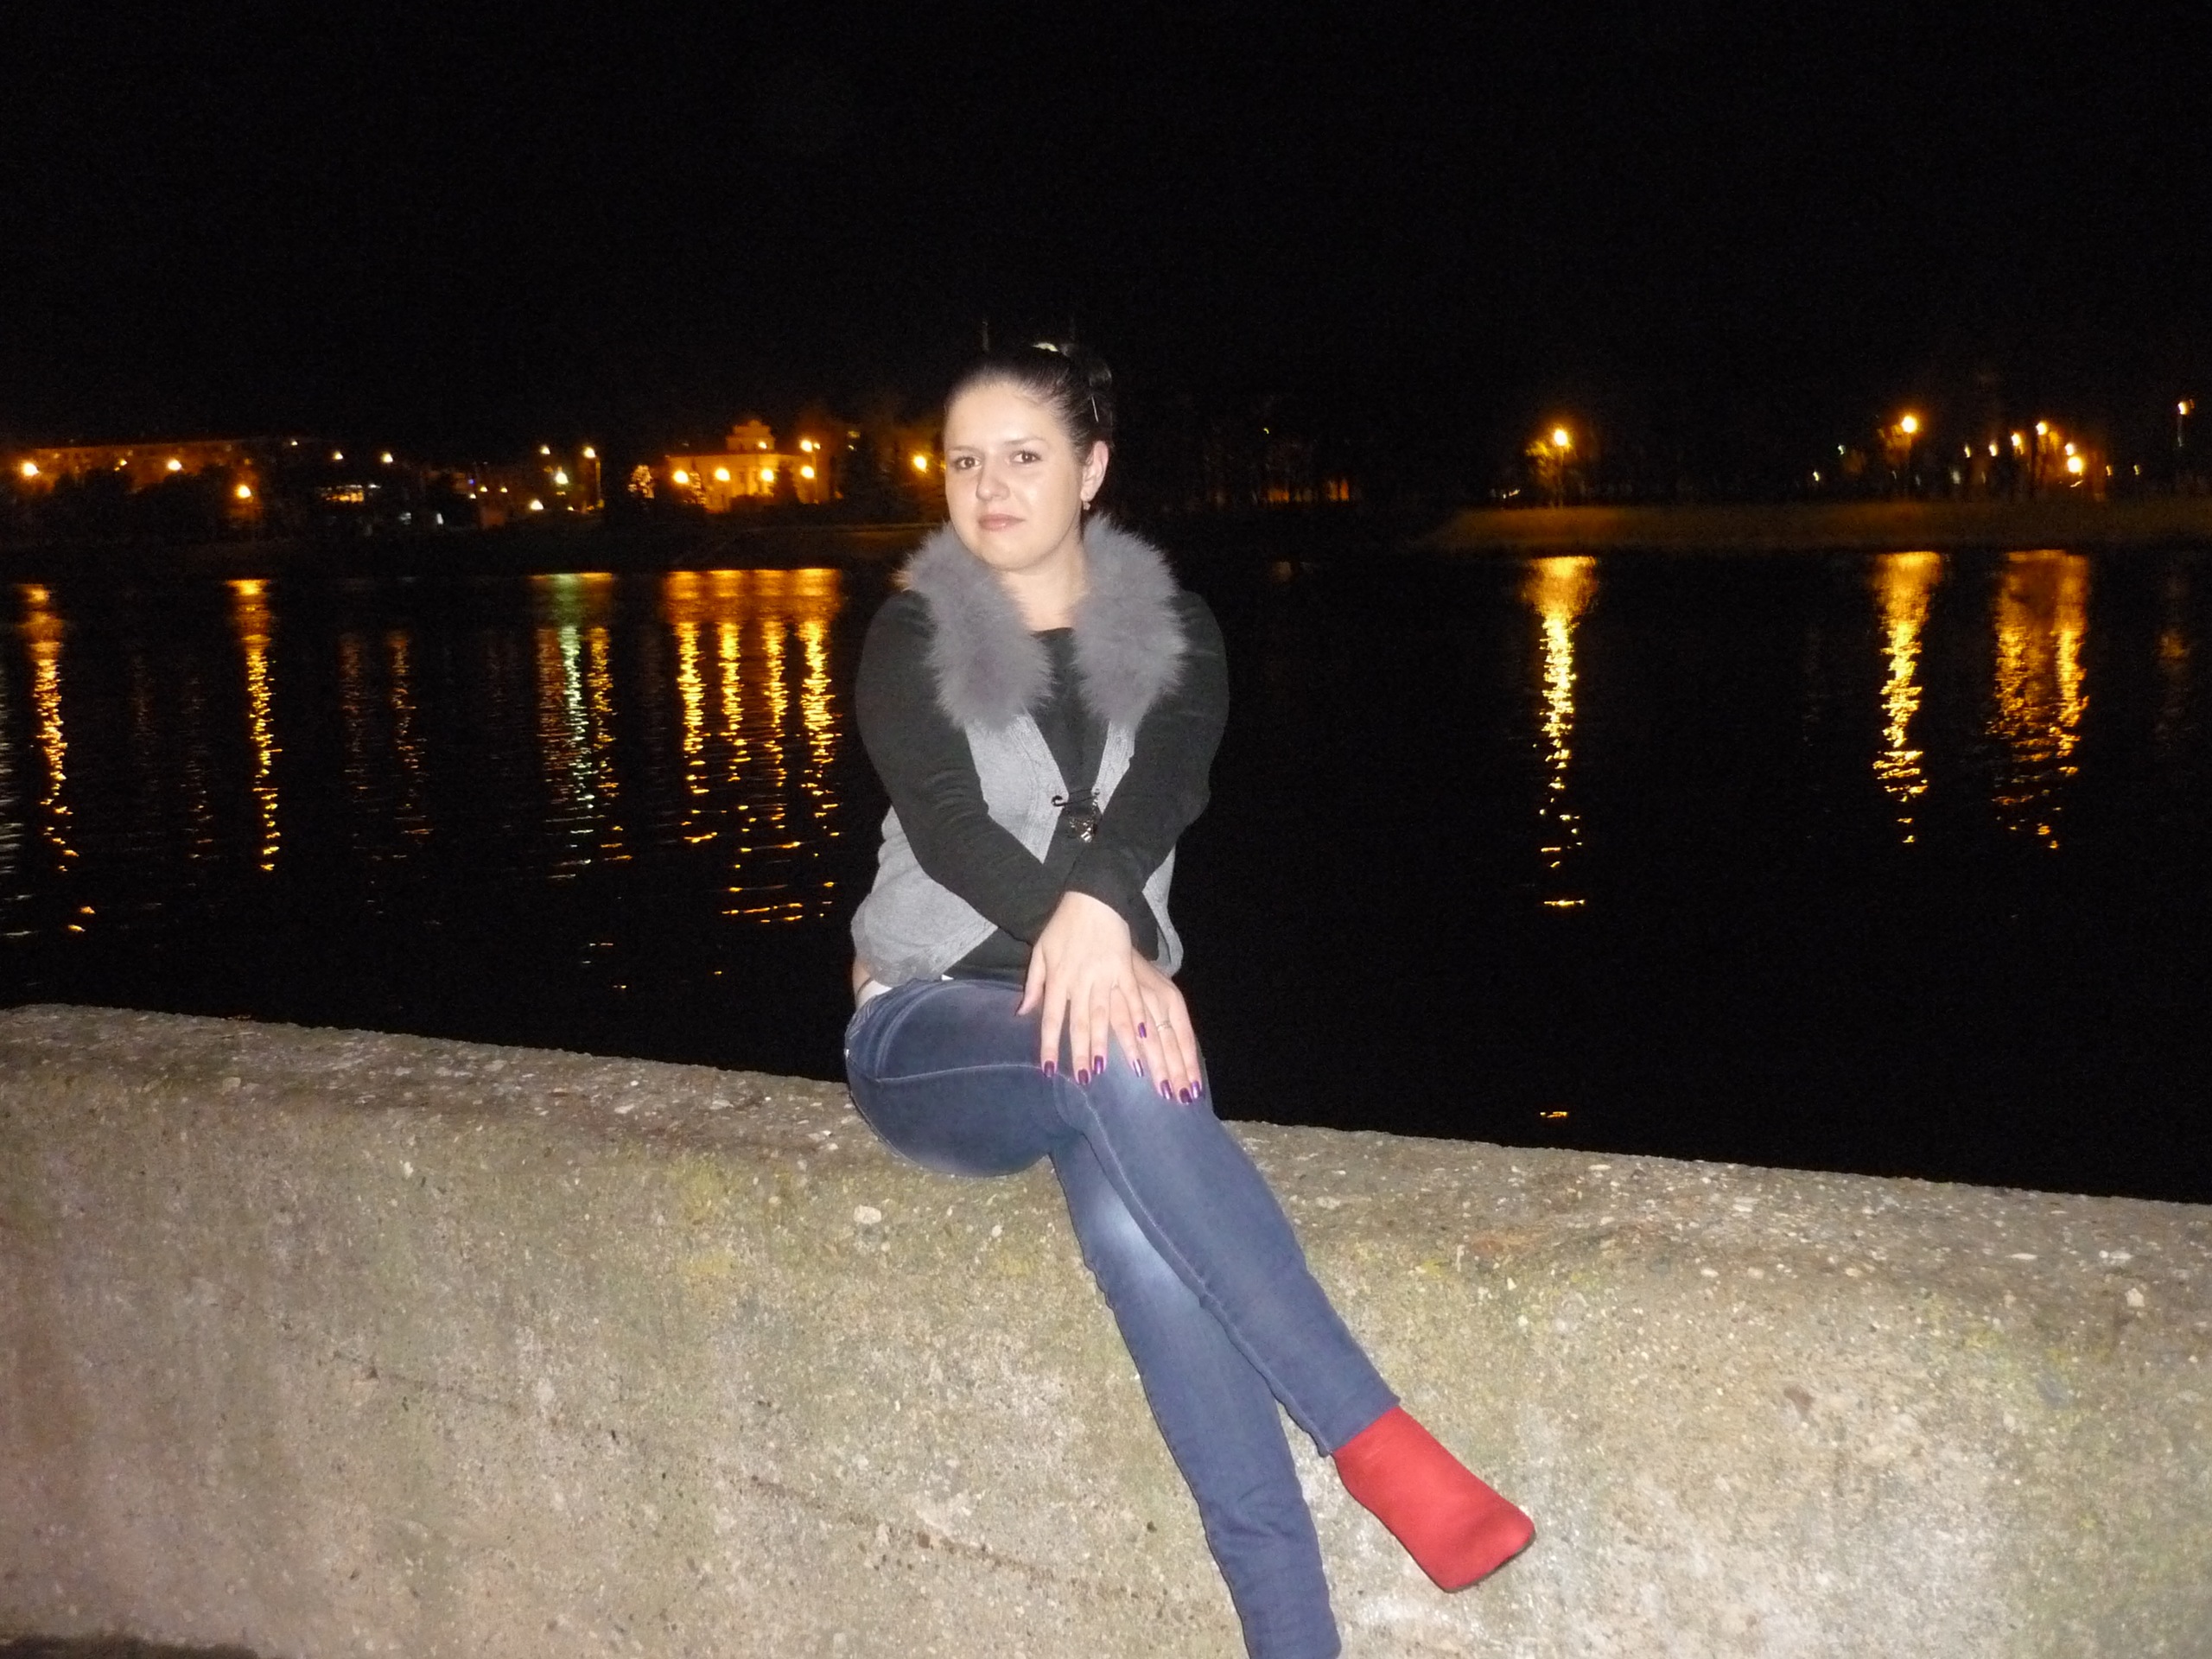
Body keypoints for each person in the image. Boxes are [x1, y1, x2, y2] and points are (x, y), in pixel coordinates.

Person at [842, 342, 1533, 1659]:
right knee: (1115, 1048)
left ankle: (1294, 1637)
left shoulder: (1177, 635)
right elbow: (945, 828)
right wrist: (1096, 938)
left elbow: (1166, 785)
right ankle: (1376, 1440)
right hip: (928, 1026)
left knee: (1159, 1263)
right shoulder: (911, 635)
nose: (989, 486)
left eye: (1024, 456)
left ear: (1093, 468)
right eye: (964, 461)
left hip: (1105, 1028)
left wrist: (1106, 923)